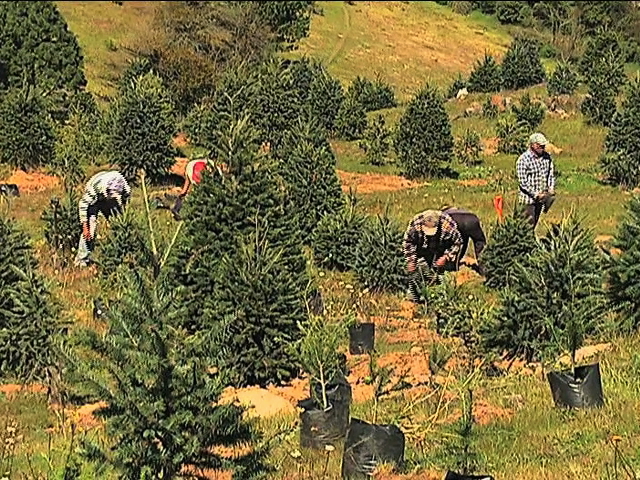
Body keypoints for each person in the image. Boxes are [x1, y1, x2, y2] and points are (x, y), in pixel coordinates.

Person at [403, 209, 464, 302]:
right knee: (417, 268)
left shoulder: (447, 226)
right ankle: (414, 297)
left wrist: (446, 256)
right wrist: (411, 259)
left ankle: (440, 296)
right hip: (422, 247)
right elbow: (408, 242)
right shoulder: (416, 224)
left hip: (441, 247)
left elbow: (458, 242)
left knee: (442, 275)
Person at [74, 170, 131, 267]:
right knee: (90, 230)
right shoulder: (96, 188)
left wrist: (123, 216)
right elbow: (83, 204)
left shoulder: (125, 189)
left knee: (117, 224)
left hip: (110, 199)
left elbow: (126, 204)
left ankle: (118, 254)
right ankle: (81, 259)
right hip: (94, 200)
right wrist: (85, 226)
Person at [516, 132, 556, 228]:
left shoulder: (547, 158)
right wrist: (536, 194)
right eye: (540, 146)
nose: (543, 147)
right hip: (528, 200)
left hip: (541, 199)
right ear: (533, 145)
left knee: (534, 225)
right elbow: (523, 182)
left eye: (543, 146)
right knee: (526, 227)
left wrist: (550, 188)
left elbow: (550, 175)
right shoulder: (523, 160)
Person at [440, 205, 487, 275]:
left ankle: (451, 266)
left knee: (449, 242)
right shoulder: (462, 211)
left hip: (455, 220)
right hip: (472, 219)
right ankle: (484, 268)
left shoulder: (444, 215)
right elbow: (464, 242)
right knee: (479, 241)